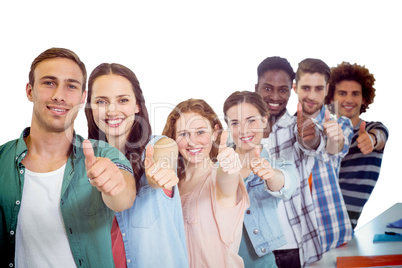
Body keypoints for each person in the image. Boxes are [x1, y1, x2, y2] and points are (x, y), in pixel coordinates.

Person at [0, 48, 136, 267]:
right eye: (49, 83)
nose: (59, 96)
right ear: (29, 91)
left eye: (71, 86)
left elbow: (124, 197)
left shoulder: (103, 154)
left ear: (83, 97)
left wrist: (115, 185)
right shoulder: (1, 161)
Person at [85, 63, 188, 267]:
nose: (112, 110)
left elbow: (163, 161)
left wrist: (157, 176)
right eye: (101, 101)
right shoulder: (84, 161)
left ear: (137, 105)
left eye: (123, 100)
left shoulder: (160, 145)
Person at [162, 99, 250, 268]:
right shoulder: (171, 184)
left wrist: (229, 168)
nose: (192, 141)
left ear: (215, 133)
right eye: (183, 134)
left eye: (200, 132)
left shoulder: (219, 177)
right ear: (173, 138)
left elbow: (227, 180)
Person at [255, 56, 324, 267]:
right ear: (256, 87)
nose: (275, 96)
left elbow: (313, 143)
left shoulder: (299, 127)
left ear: (290, 90)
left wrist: (309, 138)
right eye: (267, 88)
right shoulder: (241, 130)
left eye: (282, 90)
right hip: (253, 247)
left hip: (291, 247)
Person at [223, 91, 298, 268]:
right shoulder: (215, 165)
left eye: (251, 120)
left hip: (261, 263)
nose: (243, 130)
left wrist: (270, 174)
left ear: (264, 120)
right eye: (235, 123)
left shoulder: (278, 165)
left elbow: (286, 182)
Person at [293, 58, 354, 253]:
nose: (312, 95)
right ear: (295, 87)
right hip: (298, 243)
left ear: (327, 90)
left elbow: (337, 147)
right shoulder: (283, 128)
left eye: (318, 89)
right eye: (306, 88)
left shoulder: (340, 123)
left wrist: (335, 139)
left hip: (333, 236)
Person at [325, 62, 389, 229]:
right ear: (331, 97)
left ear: (364, 99)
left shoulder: (373, 129)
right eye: (342, 93)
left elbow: (380, 137)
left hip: (341, 222)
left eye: (355, 94)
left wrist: (372, 140)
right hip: (312, 218)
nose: (348, 99)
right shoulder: (322, 132)